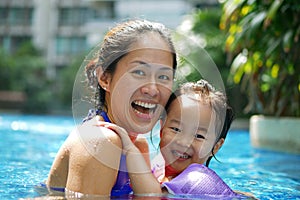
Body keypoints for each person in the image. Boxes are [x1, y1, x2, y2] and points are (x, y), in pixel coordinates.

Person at [45, 19, 177, 196]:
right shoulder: (100, 141)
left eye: (163, 76)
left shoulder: (135, 145)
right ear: (105, 79)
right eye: (139, 72)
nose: (152, 89)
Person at [102, 79, 238, 197]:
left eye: (199, 136)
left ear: (216, 146)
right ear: (162, 128)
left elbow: (150, 196)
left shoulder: (198, 179)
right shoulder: (160, 169)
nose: (183, 142)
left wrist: (130, 150)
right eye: (176, 129)